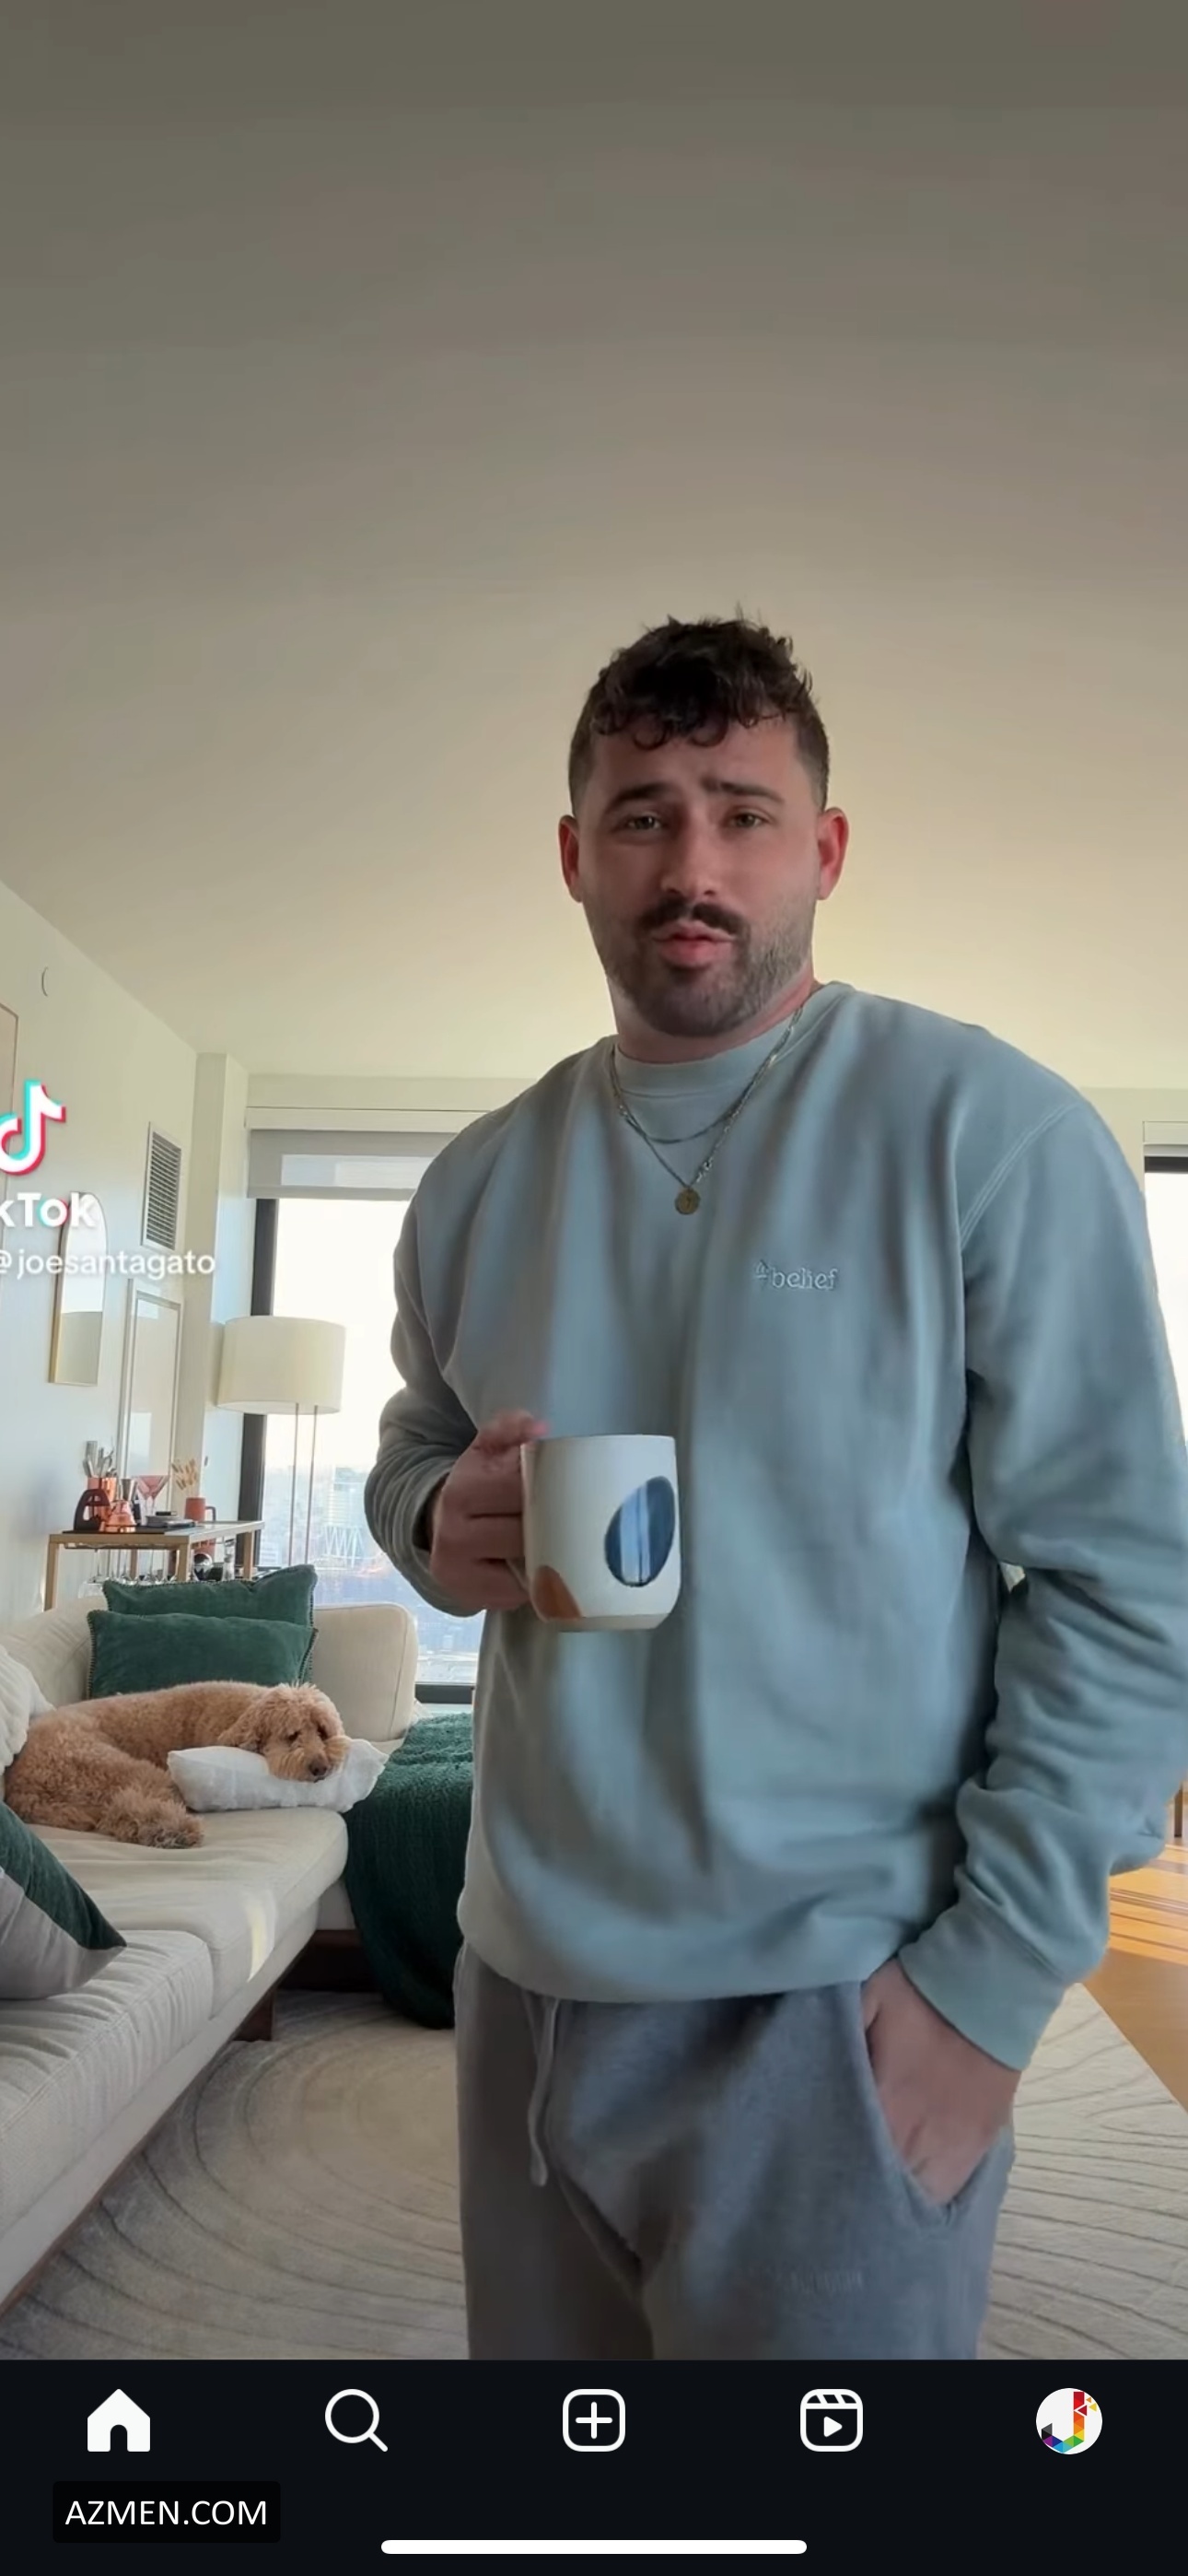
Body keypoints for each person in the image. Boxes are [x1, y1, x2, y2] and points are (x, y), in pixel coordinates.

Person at [365, 614, 1188, 2360]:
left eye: (742, 813)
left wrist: (985, 1990)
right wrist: (433, 1519)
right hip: (522, 1994)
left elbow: (1125, 1580)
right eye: (643, 815)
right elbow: (412, 1446)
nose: (694, 865)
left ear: (824, 850)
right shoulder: (474, 1183)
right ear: (573, 854)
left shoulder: (990, 1131)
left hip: (837, 2004)